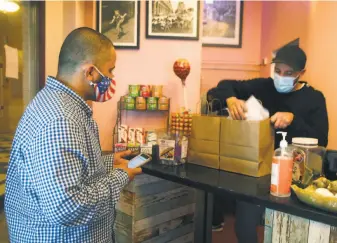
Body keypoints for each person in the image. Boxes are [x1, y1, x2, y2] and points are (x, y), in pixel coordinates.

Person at [4, 27, 142, 242]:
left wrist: (107, 163)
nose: (112, 77)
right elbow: (68, 207)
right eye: (110, 70)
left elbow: (68, 169)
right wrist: (121, 175)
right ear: (90, 73)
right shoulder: (60, 121)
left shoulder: (56, 103)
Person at [207, 45, 329, 242]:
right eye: (278, 71)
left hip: (295, 177)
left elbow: (321, 140)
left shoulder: (314, 98)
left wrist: (293, 119)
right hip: (259, 172)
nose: (281, 77)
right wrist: (230, 99)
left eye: (289, 73)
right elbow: (221, 87)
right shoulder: (264, 86)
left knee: (286, 230)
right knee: (244, 227)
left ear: (301, 73)